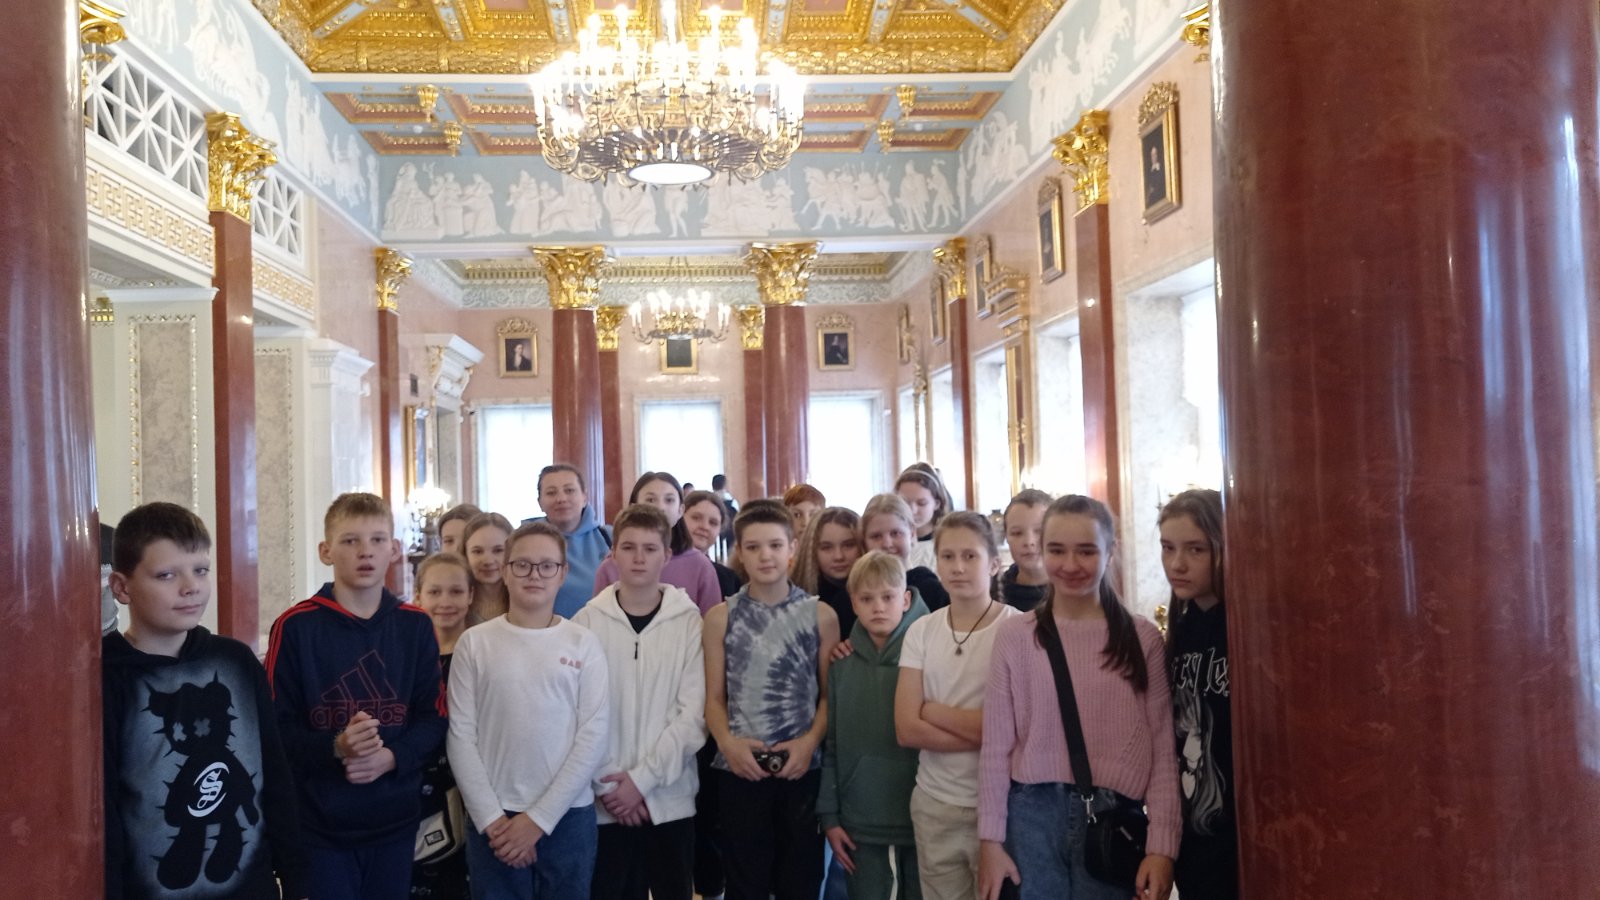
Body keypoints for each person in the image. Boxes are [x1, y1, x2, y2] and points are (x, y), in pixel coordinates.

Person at [976, 495, 1178, 900]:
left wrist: (1162, 846)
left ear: (1109, 551)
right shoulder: (1016, 636)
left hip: (1113, 818)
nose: (1070, 564)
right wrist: (990, 841)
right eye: (1057, 550)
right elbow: (995, 746)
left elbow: (1162, 749)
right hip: (1031, 816)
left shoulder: (1141, 639)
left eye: (1086, 551)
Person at [102, 502, 307, 900]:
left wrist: (296, 876)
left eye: (200, 570)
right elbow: (104, 806)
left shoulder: (235, 662)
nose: (190, 587)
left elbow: (275, 772)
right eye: (166, 575)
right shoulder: (107, 677)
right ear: (122, 588)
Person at [267, 492, 447, 900]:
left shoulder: (415, 625)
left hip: (395, 819)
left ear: (394, 549)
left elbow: (433, 717)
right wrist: (337, 747)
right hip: (319, 824)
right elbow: (275, 729)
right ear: (326, 551)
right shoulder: (295, 627)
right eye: (350, 541)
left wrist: (391, 757)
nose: (365, 551)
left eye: (377, 540)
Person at [448, 521, 610, 900]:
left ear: (562, 573)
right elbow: (460, 735)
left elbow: (593, 736)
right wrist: (491, 819)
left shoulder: (583, 643)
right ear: (505, 572)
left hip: (566, 815)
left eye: (546, 565)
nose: (534, 575)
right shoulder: (475, 643)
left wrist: (538, 820)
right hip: (494, 816)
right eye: (522, 565)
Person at [703, 502, 841, 900]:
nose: (766, 555)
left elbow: (829, 696)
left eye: (775, 545)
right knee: (745, 882)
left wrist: (809, 742)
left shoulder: (821, 615)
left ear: (792, 548)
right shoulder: (720, 617)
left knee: (800, 880)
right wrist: (728, 744)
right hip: (739, 767)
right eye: (754, 547)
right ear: (740, 552)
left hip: (801, 766)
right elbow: (713, 698)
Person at [574, 504, 707, 900]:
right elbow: (580, 713)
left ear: (666, 555)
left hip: (669, 799)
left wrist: (643, 781)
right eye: (628, 547)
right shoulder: (586, 623)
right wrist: (611, 785)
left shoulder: (689, 622)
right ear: (612, 553)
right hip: (606, 800)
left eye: (650, 549)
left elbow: (693, 714)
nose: (638, 558)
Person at [895, 512, 1020, 900]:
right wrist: (987, 732)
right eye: (948, 557)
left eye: (970, 556)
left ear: (994, 563)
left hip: (1001, 805)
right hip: (935, 802)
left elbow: (1017, 731)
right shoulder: (921, 630)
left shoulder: (1018, 629)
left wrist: (933, 711)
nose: (958, 567)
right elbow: (907, 729)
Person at [818, 551, 928, 900]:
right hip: (860, 821)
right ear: (853, 603)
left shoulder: (930, 656)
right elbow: (833, 744)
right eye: (866, 599)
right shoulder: (842, 664)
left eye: (888, 597)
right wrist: (829, 816)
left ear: (905, 599)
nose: (878, 607)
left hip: (923, 817)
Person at [1159, 489, 1236, 900]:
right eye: (1168, 547)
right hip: (1193, 831)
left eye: (1195, 549)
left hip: (1238, 836)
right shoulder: (1183, 627)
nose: (1177, 564)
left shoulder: (1242, 626)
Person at [411, 554, 474, 900]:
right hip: (417, 789)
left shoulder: (482, 653)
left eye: (456, 591)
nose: (445, 601)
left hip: (471, 791)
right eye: (435, 592)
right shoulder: (406, 657)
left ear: (471, 595)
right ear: (418, 596)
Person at [593, 472, 723, 614]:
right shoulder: (611, 566)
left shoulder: (700, 565)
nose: (660, 507)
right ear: (634, 507)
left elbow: (711, 621)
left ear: (681, 510)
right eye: (650, 499)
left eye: (669, 500)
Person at [527, 463, 614, 619]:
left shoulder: (610, 538)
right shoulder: (524, 542)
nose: (561, 499)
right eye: (551, 493)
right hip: (544, 630)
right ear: (540, 502)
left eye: (569, 490)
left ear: (584, 497)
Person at [861, 493, 949, 612]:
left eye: (895, 533)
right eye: (876, 536)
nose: (887, 544)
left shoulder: (931, 589)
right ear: (864, 541)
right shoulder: (857, 591)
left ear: (912, 534)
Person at [792, 507, 864, 638]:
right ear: (812, 551)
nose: (838, 556)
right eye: (826, 548)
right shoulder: (794, 597)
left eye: (848, 545)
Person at [999, 490, 1051, 611]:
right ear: (1006, 536)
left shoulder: (1075, 591)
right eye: (1017, 533)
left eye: (1040, 531)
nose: (1029, 542)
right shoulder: (994, 593)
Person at [684, 488, 742, 598]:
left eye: (713, 523)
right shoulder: (661, 567)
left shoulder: (728, 579)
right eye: (696, 518)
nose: (705, 527)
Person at [895, 466, 952, 572]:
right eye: (904, 502)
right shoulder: (889, 543)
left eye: (921, 503)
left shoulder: (949, 543)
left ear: (937, 503)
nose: (912, 510)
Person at [462, 512, 513, 624]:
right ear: (465, 554)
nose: (488, 561)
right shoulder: (456, 603)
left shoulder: (525, 602)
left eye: (498, 550)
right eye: (477, 551)